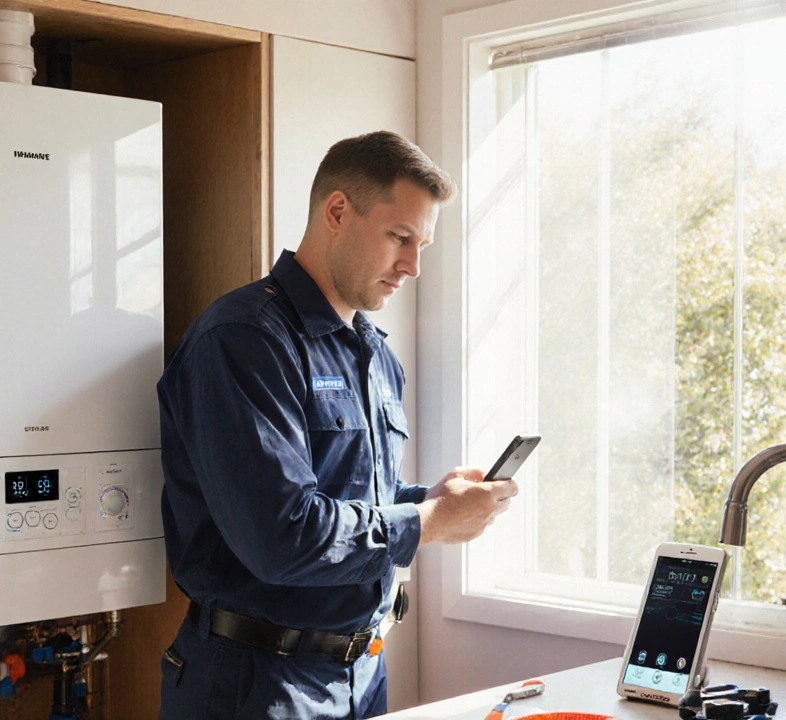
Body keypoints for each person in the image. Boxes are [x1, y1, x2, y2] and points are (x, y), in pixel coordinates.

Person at [156, 131, 519, 720]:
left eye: (421, 244)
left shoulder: (376, 355)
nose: (413, 265)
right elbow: (283, 535)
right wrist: (427, 522)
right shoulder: (243, 341)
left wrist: (430, 500)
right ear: (337, 211)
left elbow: (349, 497)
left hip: (360, 675)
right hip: (255, 686)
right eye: (400, 237)